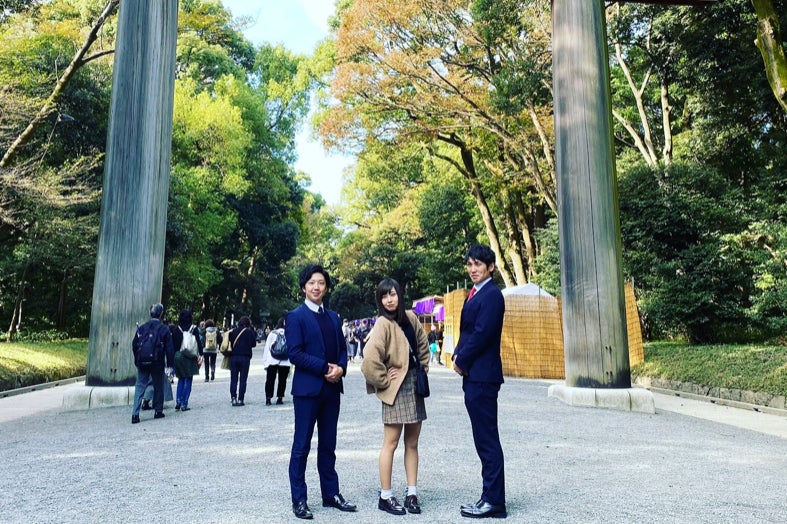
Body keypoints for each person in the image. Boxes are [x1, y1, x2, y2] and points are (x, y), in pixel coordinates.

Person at [286, 263, 356, 519]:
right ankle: (299, 499)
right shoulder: (295, 316)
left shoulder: (334, 317)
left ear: (326, 288)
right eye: (312, 283)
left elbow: (342, 349)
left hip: (332, 389)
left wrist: (341, 368)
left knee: (328, 444)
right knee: (301, 445)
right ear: (304, 287)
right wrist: (325, 367)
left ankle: (331, 493)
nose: (316, 287)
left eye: (321, 283)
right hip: (307, 391)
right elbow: (295, 353)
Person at [361, 278, 430, 516]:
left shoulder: (410, 317)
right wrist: (384, 381)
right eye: (384, 296)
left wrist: (422, 370)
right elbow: (369, 359)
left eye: (393, 294)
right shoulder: (382, 323)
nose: (389, 300)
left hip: (414, 385)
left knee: (412, 442)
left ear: (400, 295)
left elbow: (423, 346)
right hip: (396, 388)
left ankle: (412, 492)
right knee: (390, 443)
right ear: (380, 300)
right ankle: (386, 495)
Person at [452, 244, 507, 519]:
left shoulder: (492, 295)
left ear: (491, 267)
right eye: (470, 264)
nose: (473, 269)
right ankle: (488, 496)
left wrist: (461, 360)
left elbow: (482, 333)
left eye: (478, 264)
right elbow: (468, 331)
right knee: (482, 438)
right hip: (475, 376)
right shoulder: (475, 293)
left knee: (487, 439)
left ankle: (494, 501)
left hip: (483, 376)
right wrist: (457, 354)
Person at [131, 303, 174, 424]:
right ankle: (158, 411)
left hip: (142, 361)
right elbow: (169, 348)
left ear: (150, 314)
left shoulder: (142, 327)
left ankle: (135, 414)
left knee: (140, 386)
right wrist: (170, 365)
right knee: (158, 385)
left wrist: (137, 360)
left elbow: (134, 344)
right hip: (157, 361)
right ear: (161, 314)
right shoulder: (164, 329)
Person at [171, 309, 203, 412]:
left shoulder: (176, 329)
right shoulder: (194, 329)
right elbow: (198, 343)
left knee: (181, 379)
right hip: (190, 356)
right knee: (188, 379)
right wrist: (201, 355)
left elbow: (173, 345)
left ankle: (178, 401)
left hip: (178, 356)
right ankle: (184, 404)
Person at [227, 316, 256, 406]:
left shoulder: (233, 331)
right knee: (243, 379)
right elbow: (253, 344)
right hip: (245, 358)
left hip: (234, 357)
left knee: (233, 379)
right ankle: (240, 399)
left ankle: (233, 398)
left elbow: (229, 342)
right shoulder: (249, 332)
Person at [262, 317, 291, 406]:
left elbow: (267, 348)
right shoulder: (290, 333)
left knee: (270, 380)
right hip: (285, 360)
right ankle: (280, 397)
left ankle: (268, 398)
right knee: (282, 380)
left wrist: (265, 361)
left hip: (272, 359)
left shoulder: (272, 333)